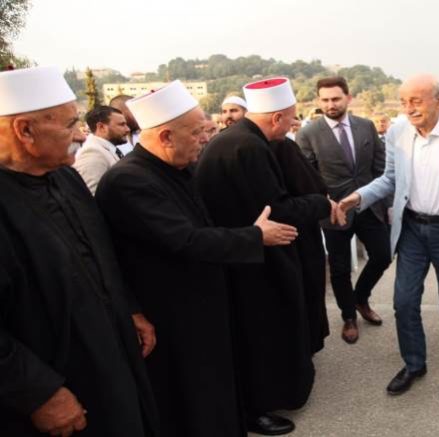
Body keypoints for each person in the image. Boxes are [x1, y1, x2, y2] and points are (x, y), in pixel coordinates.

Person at [96, 80, 299, 437]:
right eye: (196, 133)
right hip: (173, 314)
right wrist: (255, 236)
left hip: (203, 300)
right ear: (166, 137)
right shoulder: (128, 181)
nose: (205, 140)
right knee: (193, 399)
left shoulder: (177, 167)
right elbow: (185, 239)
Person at [0, 66, 159, 436]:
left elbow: (100, 254)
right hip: (54, 385)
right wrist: (39, 393)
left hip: (111, 356)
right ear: (25, 130)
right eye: (70, 124)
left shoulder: (65, 177)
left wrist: (129, 308)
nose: (80, 134)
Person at [337, 74, 439, 401]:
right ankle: (414, 365)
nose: (408, 108)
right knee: (403, 304)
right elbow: (389, 179)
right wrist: (357, 198)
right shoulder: (398, 132)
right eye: (404, 102)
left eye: (416, 100)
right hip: (412, 230)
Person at [196, 77, 335, 435]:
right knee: (261, 333)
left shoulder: (238, 139)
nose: (292, 126)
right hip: (249, 259)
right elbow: (278, 209)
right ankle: (257, 408)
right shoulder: (249, 147)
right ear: (276, 118)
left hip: (241, 251)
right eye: (290, 119)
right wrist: (320, 203)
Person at [296, 76, 391, 344]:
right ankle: (348, 316)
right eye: (325, 100)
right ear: (318, 101)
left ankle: (360, 298)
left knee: (383, 256)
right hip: (334, 212)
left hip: (369, 206)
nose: (331, 104)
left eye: (336, 99)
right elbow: (307, 177)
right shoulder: (308, 134)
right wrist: (325, 203)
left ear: (348, 98)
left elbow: (380, 168)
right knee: (339, 268)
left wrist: (386, 204)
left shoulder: (366, 126)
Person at [269, 136, 331, 354]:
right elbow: (314, 188)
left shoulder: (277, 145)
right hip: (286, 236)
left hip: (288, 235)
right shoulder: (275, 145)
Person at [73, 105, 130, 194]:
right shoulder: (92, 153)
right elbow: (93, 195)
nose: (127, 129)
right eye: (122, 124)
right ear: (101, 127)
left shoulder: (104, 149)